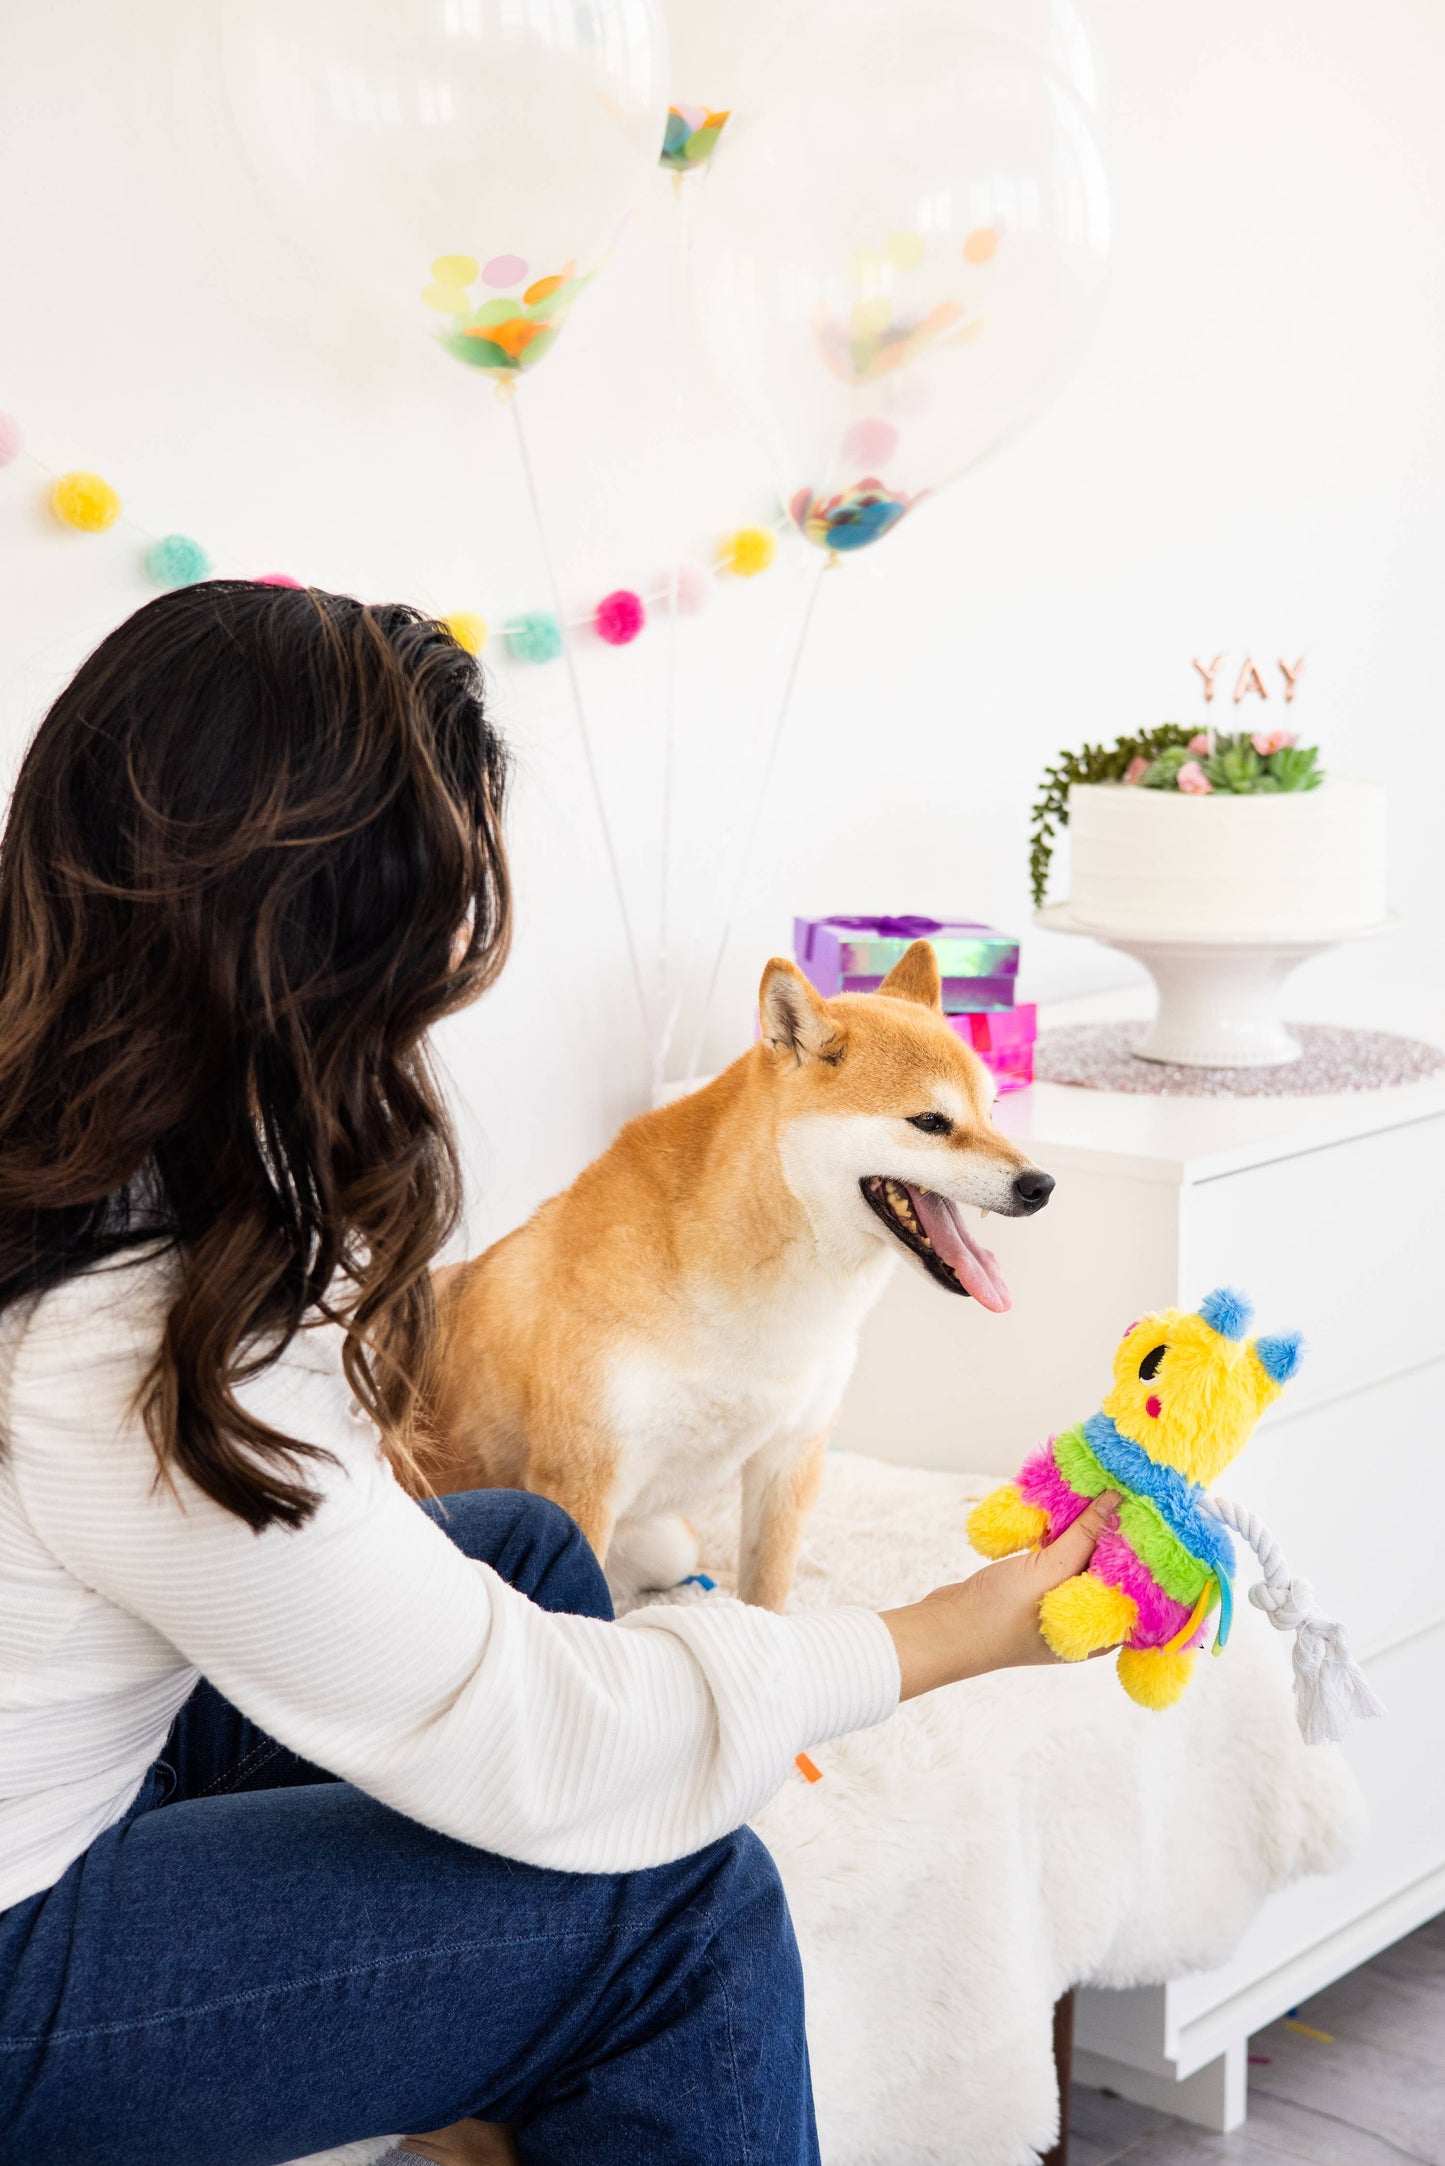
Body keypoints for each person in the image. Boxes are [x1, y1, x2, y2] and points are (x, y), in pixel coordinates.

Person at [0, 584, 1119, 2166]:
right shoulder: (130, 1335)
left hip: (56, 1750)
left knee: (526, 1542)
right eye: (447, 893)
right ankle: (576, 2016)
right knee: (677, 1903)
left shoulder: (86, 1158)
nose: (465, 948)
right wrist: (950, 1630)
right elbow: (536, 1725)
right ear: (330, 924)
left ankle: (502, 2069)